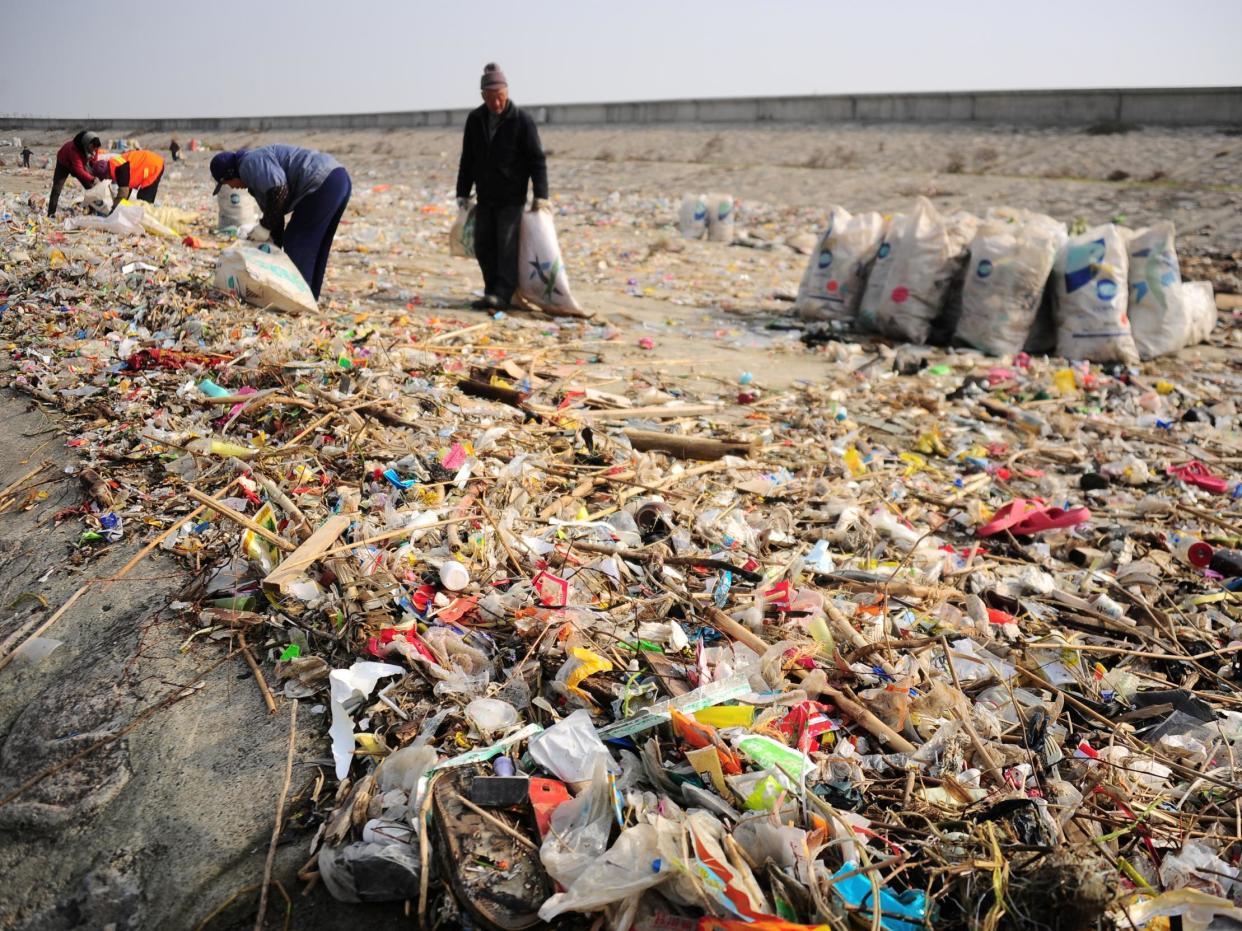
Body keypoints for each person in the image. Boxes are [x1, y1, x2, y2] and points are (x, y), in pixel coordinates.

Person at [455, 63, 549, 311]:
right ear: (483, 96)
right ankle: (491, 291)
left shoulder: (522, 121)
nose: (497, 104)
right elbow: (468, 158)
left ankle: (503, 294)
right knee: (484, 244)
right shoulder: (475, 120)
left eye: (501, 98)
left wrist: (542, 195)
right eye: (491, 98)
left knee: (506, 245)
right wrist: (462, 192)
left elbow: (536, 159)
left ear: (507, 93)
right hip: (485, 196)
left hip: (511, 196)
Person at [210, 144, 351, 302]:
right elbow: (275, 213)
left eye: (228, 183)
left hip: (323, 181)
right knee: (317, 246)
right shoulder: (255, 175)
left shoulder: (248, 164)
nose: (231, 187)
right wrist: (271, 245)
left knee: (298, 242)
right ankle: (310, 299)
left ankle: (296, 300)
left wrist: (264, 227)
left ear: (231, 173)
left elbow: (280, 191)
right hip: (338, 179)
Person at [47, 130, 102, 216]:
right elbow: (79, 171)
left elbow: (94, 161)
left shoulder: (95, 146)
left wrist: (96, 174)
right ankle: (51, 213)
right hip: (64, 164)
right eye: (92, 148)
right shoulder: (74, 149)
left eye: (96, 148)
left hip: (80, 163)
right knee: (57, 189)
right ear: (87, 144)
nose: (94, 150)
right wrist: (93, 178)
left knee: (90, 186)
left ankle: (92, 210)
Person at [91, 148, 166, 209]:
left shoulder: (120, 170)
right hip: (149, 161)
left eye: (104, 178)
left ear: (106, 174)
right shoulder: (115, 164)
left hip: (154, 166)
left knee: (144, 201)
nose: (107, 180)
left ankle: (148, 221)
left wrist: (114, 210)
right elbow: (126, 188)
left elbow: (123, 193)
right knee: (140, 200)